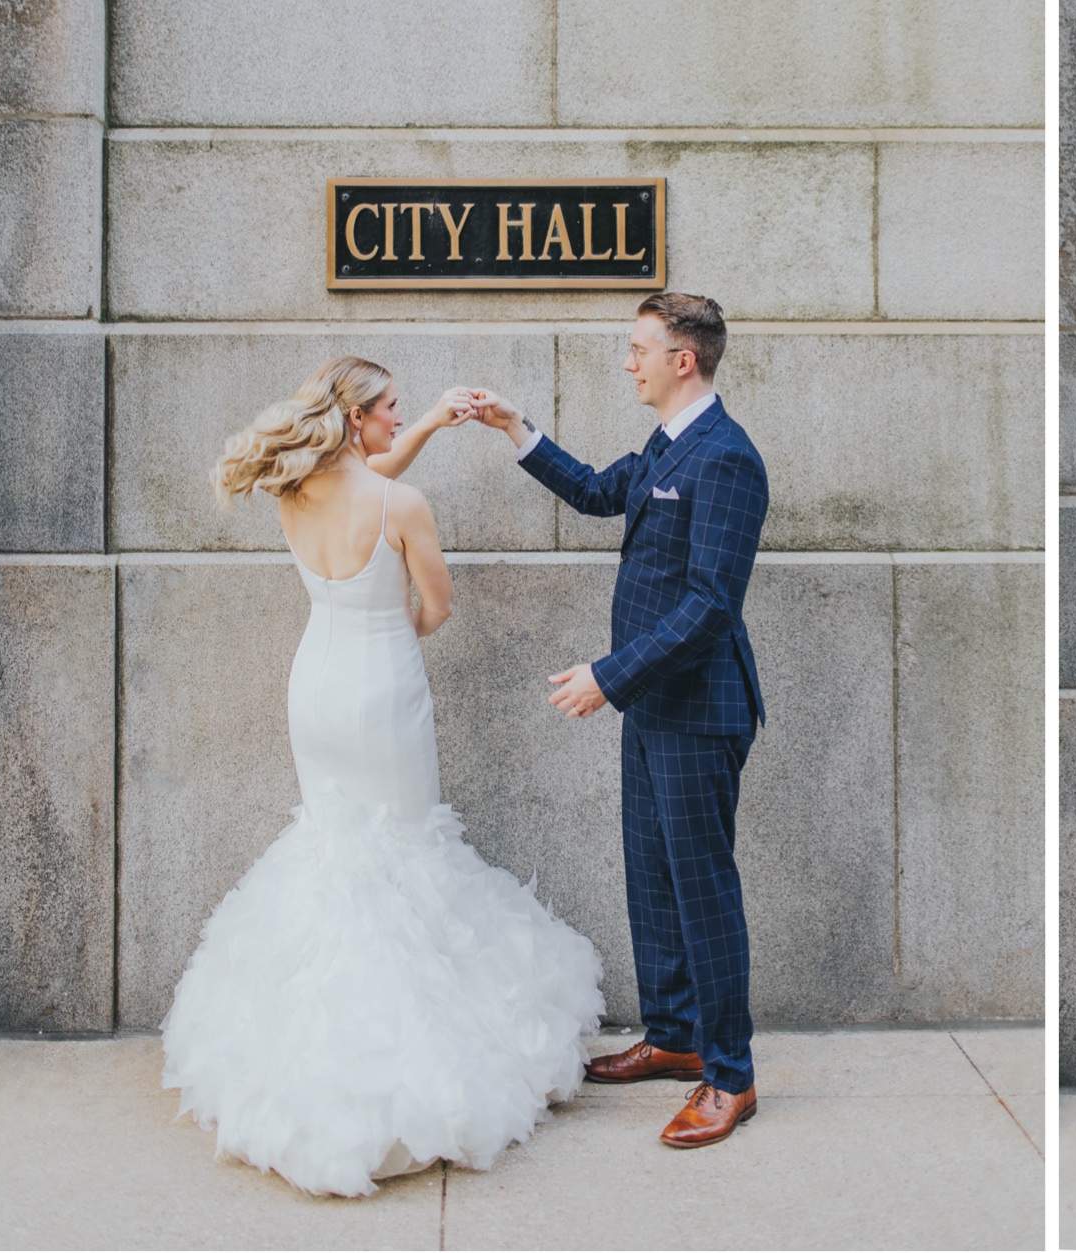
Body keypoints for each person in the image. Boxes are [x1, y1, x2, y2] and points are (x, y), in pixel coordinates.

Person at [163, 356, 605, 1197]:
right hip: (382, 690)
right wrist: (394, 622)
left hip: (315, 688)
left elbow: (367, 480)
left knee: (337, 849)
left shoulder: (296, 490)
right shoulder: (402, 504)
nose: (400, 420)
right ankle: (416, 1057)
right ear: (356, 418)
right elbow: (435, 608)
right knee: (406, 851)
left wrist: (435, 423)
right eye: (394, 410)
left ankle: (301, 1057)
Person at [469, 292, 770, 1149]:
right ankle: (674, 1033)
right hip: (651, 705)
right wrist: (515, 426)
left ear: (685, 359)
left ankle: (731, 1077)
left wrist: (608, 675)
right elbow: (601, 492)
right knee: (653, 876)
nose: (626, 361)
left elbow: (712, 605)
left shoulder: (727, 459)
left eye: (639, 348)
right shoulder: (665, 444)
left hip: (698, 713)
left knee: (703, 892)